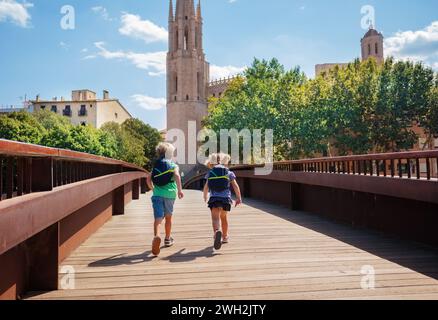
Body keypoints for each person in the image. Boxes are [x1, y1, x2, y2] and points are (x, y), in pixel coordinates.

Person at [147, 142, 184, 256]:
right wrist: (179, 190)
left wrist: (153, 189)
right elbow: (177, 176)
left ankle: (157, 235)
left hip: (157, 194)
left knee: (158, 218)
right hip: (170, 195)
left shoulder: (156, 165)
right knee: (168, 218)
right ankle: (167, 239)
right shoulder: (173, 165)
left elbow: (148, 179)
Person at [203, 153, 242, 250]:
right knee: (224, 218)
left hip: (214, 199)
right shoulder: (229, 173)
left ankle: (216, 232)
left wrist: (205, 196)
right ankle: (224, 237)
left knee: (215, 219)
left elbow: (206, 187)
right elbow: (235, 186)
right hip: (225, 199)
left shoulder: (210, 173)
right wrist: (238, 198)